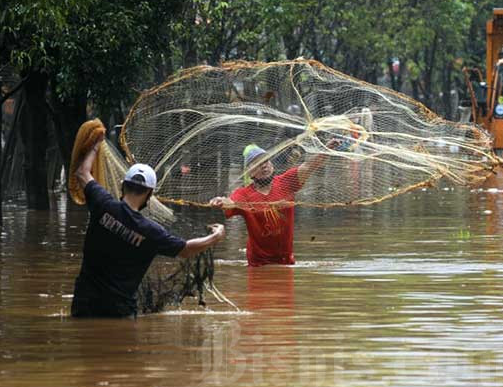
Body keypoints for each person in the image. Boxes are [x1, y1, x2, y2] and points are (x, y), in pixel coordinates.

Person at [71, 133, 225, 318]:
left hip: (83, 303)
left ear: (124, 185)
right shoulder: (151, 232)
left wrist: (96, 145)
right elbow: (185, 249)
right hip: (120, 311)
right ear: (149, 194)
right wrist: (215, 237)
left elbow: (82, 172)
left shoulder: (103, 203)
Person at [209, 141, 338, 267]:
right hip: (258, 264)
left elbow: (309, 166)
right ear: (249, 172)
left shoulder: (286, 182)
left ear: (272, 165)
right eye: (258, 163)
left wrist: (325, 150)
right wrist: (220, 200)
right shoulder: (244, 194)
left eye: (266, 161)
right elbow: (230, 202)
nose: (264, 165)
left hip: (286, 262)